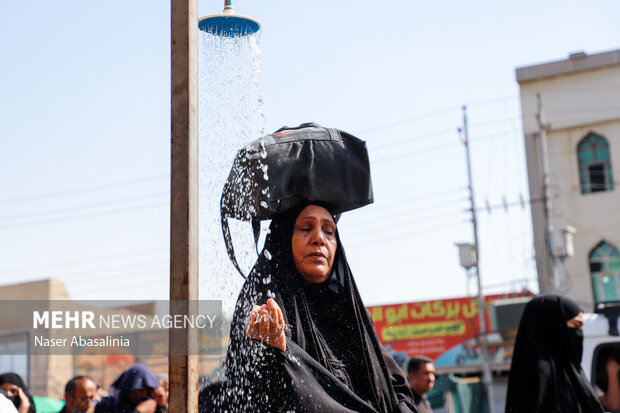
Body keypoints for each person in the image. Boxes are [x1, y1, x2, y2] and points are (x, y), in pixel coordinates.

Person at [204, 202, 417, 412]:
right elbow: (251, 393)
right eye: (306, 228)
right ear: (283, 239)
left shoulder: (351, 316)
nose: (319, 239)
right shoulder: (265, 308)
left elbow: (396, 388)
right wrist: (278, 354)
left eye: (329, 231)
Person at [505, 294, 604, 413]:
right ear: (555, 326)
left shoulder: (570, 373)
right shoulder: (539, 376)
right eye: (576, 325)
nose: (580, 332)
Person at [94, 364, 160, 413]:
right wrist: (138, 411)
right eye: (141, 390)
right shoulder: (106, 406)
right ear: (130, 386)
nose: (144, 395)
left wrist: (161, 406)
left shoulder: (151, 405)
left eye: (148, 390)